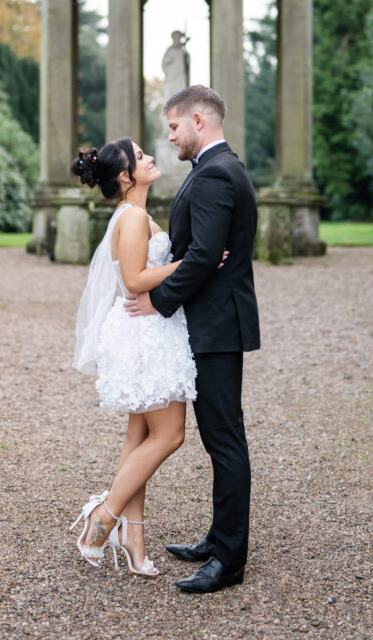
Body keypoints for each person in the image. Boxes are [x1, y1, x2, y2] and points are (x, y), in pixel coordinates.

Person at [124, 85, 260, 594]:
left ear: (199, 120)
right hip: (214, 322)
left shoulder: (214, 175)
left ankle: (228, 560)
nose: (170, 136)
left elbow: (204, 256)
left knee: (225, 442)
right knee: (219, 438)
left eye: (175, 127)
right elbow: (203, 252)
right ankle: (218, 539)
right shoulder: (221, 169)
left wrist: (156, 302)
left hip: (216, 327)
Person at [69, 137, 199, 577]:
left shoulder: (134, 214)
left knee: (139, 436)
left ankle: (134, 537)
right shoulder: (134, 217)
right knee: (171, 435)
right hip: (146, 336)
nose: (148, 158)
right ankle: (103, 515)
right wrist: (191, 264)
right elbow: (135, 278)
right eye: (140, 157)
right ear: (126, 177)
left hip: (145, 330)